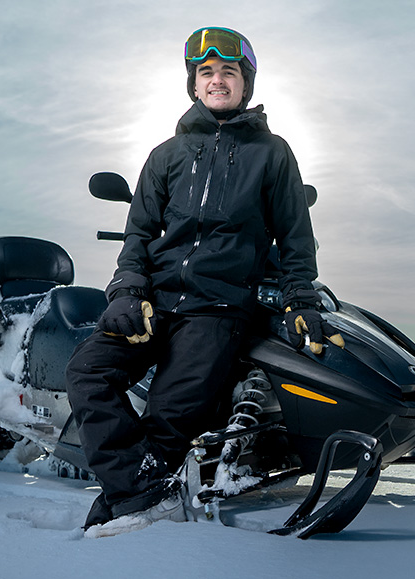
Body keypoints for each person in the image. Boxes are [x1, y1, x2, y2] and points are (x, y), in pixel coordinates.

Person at [65, 26, 344, 533]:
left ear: (246, 84)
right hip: (153, 303)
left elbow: (296, 240)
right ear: (194, 85)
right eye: (207, 72)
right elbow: (139, 234)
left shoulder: (273, 153)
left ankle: (126, 506)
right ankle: (142, 494)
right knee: (87, 371)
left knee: (172, 417)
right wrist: (128, 289)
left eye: (229, 72)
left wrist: (300, 300)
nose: (217, 80)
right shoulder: (165, 155)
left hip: (215, 309)